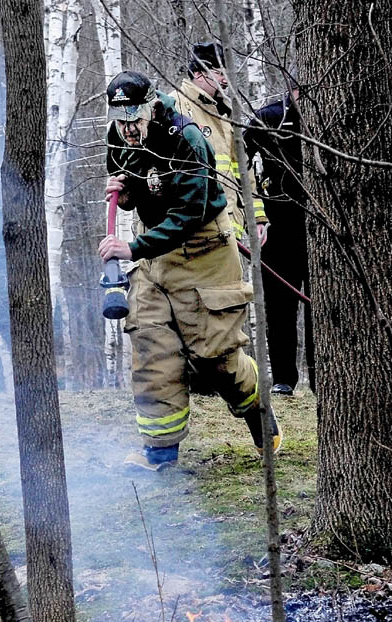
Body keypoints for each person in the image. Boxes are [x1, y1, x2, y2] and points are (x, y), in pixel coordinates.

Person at [98, 70, 282, 471]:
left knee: (216, 359)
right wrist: (127, 195)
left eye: (136, 119)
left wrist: (130, 247)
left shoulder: (186, 138)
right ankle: (159, 454)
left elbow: (189, 212)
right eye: (121, 120)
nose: (128, 129)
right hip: (153, 259)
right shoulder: (117, 135)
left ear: (154, 108)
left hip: (204, 252)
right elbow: (134, 186)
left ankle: (259, 413)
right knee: (150, 348)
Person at [245, 74, 315, 396]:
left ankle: (320, 377)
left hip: (320, 231)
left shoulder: (330, 121)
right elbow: (239, 158)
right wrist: (253, 210)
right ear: (293, 91)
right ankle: (285, 378)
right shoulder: (270, 117)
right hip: (277, 226)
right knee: (280, 309)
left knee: (321, 309)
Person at [169, 40, 268, 244]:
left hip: (232, 228)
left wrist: (256, 217)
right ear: (198, 73)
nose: (225, 80)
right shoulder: (174, 107)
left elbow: (244, 168)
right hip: (195, 232)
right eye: (219, 73)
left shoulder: (225, 112)